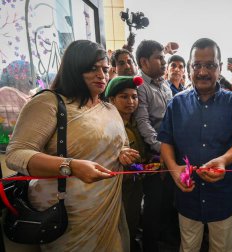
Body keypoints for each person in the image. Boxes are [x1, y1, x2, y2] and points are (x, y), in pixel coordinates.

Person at [6, 40, 139, 252]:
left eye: (105, 69)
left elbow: (118, 144)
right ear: (74, 68)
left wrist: (123, 154)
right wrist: (71, 166)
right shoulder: (49, 103)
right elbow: (15, 154)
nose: (101, 75)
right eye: (92, 68)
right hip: (68, 215)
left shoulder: (109, 109)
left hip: (107, 209)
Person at [158, 38, 232, 252]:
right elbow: (166, 143)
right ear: (189, 68)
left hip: (224, 193)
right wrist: (174, 171)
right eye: (196, 65)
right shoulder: (176, 104)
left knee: (222, 247)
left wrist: (223, 160)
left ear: (220, 68)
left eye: (210, 65)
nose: (202, 72)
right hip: (187, 192)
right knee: (188, 246)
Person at [134, 40, 176, 252]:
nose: (164, 61)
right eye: (159, 57)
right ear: (144, 61)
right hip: (154, 155)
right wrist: (161, 148)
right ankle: (150, 244)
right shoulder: (140, 86)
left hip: (170, 152)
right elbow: (143, 122)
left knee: (168, 199)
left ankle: (165, 237)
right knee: (153, 204)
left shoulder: (165, 84)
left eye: (163, 56)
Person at [105, 76, 149, 252]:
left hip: (134, 184)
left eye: (134, 96)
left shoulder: (135, 122)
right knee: (119, 227)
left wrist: (146, 164)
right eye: (124, 97)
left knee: (131, 221)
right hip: (116, 187)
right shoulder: (107, 125)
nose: (131, 101)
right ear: (111, 99)